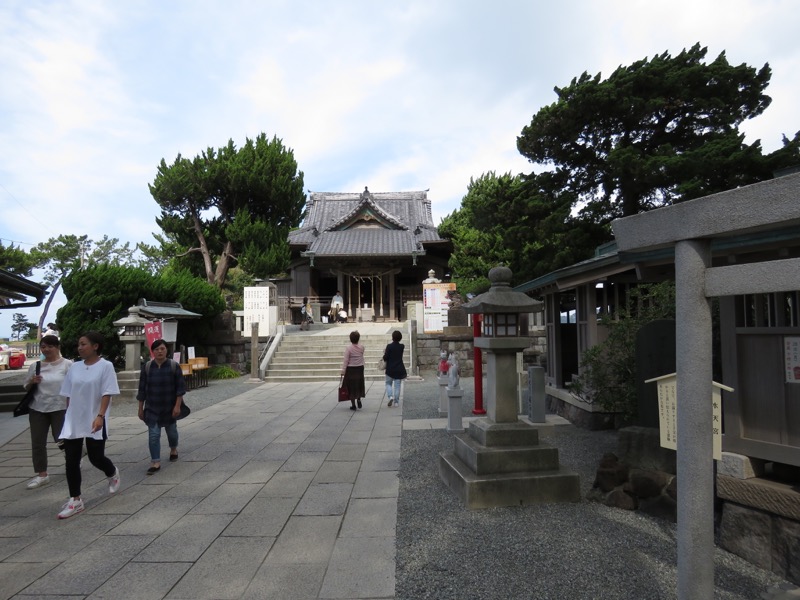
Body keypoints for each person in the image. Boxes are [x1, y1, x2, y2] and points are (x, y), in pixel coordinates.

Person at [57, 331, 121, 519]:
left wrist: (100, 416)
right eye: (79, 344)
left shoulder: (106, 366)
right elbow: (68, 394)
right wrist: (68, 417)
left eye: (83, 344)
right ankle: (75, 499)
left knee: (96, 457)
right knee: (71, 459)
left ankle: (112, 472)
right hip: (74, 419)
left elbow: (107, 393)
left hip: (95, 417)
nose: (80, 347)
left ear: (95, 346)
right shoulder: (74, 367)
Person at [23, 335, 72, 489]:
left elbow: (74, 386)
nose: (46, 349)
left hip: (60, 406)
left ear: (57, 347)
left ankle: (75, 457)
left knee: (62, 439)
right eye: (43, 347)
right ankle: (42, 474)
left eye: (49, 346)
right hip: (38, 407)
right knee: (38, 442)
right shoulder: (36, 365)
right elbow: (26, 386)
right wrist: (32, 381)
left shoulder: (67, 364)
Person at [137, 338, 186, 475]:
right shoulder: (147, 367)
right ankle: (155, 461)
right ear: (152, 352)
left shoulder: (173, 366)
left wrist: (177, 406)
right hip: (152, 406)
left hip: (169, 406)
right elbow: (142, 390)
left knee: (172, 432)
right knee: (153, 434)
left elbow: (180, 389)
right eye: (157, 349)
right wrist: (140, 408)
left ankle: (173, 448)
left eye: (162, 349)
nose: (160, 351)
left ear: (167, 350)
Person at [341, 330, 365, 411]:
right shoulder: (362, 347)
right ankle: (358, 398)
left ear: (350, 339)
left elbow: (346, 360)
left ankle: (353, 405)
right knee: (358, 384)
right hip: (360, 368)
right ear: (358, 339)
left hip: (351, 369)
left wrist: (343, 371)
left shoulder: (348, 348)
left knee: (351, 387)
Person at [383, 330, 407, 407]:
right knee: (397, 385)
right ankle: (396, 402)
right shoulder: (402, 346)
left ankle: (390, 396)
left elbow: (386, 357)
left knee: (388, 383)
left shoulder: (389, 346)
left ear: (392, 337)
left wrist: (385, 353)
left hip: (390, 368)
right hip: (399, 368)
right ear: (400, 338)